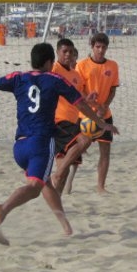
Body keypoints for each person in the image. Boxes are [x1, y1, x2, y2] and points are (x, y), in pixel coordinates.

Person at [0, 42, 118, 239]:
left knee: (44, 182)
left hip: (19, 146)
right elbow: (81, 104)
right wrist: (102, 123)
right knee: (34, 187)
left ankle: (65, 226)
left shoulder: (18, 78)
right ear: (50, 62)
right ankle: (3, 208)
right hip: (41, 144)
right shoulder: (56, 79)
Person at [76, 33, 120, 193]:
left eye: (103, 47)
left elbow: (113, 90)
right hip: (86, 115)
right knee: (76, 151)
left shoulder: (113, 65)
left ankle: (101, 187)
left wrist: (104, 106)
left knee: (105, 152)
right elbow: (78, 91)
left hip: (105, 114)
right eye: (97, 47)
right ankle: (65, 182)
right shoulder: (81, 65)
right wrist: (94, 105)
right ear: (92, 47)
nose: (100, 50)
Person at [50, 39, 92, 195]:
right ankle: (57, 173)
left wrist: (88, 99)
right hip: (58, 121)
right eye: (64, 51)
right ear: (58, 52)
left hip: (72, 122)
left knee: (65, 170)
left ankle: (56, 203)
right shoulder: (54, 69)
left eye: (71, 52)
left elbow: (78, 97)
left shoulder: (75, 75)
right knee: (85, 140)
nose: (68, 55)